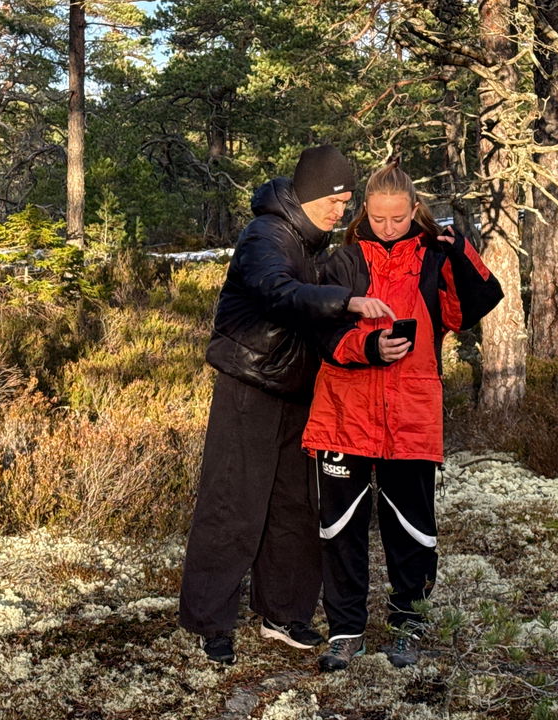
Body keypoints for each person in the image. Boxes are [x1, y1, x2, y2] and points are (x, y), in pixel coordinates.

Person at [179, 145, 394, 665]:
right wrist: (344, 301)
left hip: (299, 389)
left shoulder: (316, 242)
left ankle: (283, 613)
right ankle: (211, 622)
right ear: (310, 192)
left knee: (297, 505)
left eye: (347, 200)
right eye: (336, 199)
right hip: (250, 384)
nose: (342, 209)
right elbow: (279, 291)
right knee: (234, 501)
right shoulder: (266, 236)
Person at [301, 159, 503, 672]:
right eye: (378, 218)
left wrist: (458, 248)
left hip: (412, 414)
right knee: (339, 529)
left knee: (412, 528)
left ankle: (407, 626)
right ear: (363, 210)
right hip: (344, 412)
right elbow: (314, 330)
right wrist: (366, 347)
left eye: (398, 218)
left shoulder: (435, 260)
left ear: (414, 209)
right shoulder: (341, 260)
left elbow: (479, 302)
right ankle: (345, 632)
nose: (388, 227)